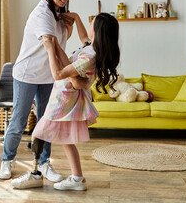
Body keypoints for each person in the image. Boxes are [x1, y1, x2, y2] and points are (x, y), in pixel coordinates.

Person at [11, 12, 121, 190]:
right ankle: (77, 179)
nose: (90, 22)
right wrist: (75, 20)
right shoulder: (92, 48)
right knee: (66, 140)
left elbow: (58, 73)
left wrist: (49, 50)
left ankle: (35, 175)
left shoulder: (89, 57)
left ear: (98, 30)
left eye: (93, 22)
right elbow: (82, 41)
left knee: (37, 134)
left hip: (63, 101)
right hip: (66, 98)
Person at [0, 0, 76, 182]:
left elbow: (62, 39)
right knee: (19, 121)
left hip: (47, 77)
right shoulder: (41, 14)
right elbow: (51, 44)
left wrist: (68, 25)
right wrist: (65, 70)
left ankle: (43, 162)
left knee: (46, 121)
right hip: (27, 74)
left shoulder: (58, 13)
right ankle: (7, 160)